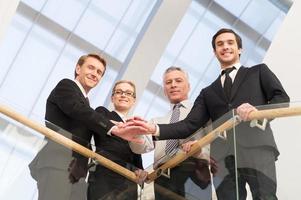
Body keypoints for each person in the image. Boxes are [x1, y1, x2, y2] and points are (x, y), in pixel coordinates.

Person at [131, 28, 290, 200]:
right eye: (220, 44)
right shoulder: (208, 92)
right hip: (223, 161)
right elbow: (188, 125)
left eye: (230, 43)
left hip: (257, 148)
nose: (225, 47)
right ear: (215, 52)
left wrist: (257, 111)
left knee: (265, 197)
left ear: (240, 49)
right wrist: (153, 128)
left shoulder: (258, 72)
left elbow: (282, 98)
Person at [29, 53, 147, 200]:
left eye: (99, 72)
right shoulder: (66, 86)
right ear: (78, 68)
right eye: (91, 68)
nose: (94, 74)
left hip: (76, 173)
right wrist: (113, 128)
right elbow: (78, 110)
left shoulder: (86, 102)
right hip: (58, 164)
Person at [151, 67, 213, 199]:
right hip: (162, 178)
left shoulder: (201, 112)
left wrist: (200, 151)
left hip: (194, 171)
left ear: (188, 86)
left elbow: (216, 141)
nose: (173, 85)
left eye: (178, 80)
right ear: (164, 90)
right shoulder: (156, 122)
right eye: (168, 82)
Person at [83, 80, 152, 200]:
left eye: (128, 93)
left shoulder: (134, 125)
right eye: (119, 92)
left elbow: (136, 156)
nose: (123, 95)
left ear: (134, 100)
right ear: (112, 97)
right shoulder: (103, 113)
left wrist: (141, 170)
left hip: (128, 186)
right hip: (105, 179)